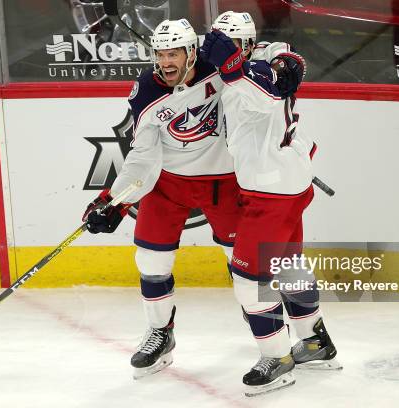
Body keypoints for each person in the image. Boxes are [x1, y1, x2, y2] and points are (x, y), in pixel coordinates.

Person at [81, 18, 240, 379]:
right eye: (161, 54)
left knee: (245, 266)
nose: (166, 62)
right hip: (168, 184)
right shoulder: (147, 90)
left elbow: (259, 60)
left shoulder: (219, 71)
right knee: (150, 261)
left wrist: (282, 61)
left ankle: (268, 328)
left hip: (223, 181)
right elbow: (142, 156)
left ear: (191, 53)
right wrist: (114, 201)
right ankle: (159, 335)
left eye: (174, 53)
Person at [201, 11, 341, 396]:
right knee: (288, 265)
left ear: (246, 44)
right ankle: (315, 341)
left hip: (272, 191)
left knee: (249, 283)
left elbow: (272, 85)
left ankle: (277, 360)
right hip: (282, 184)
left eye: (234, 47)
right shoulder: (236, 65)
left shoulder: (258, 67)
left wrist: (247, 66)